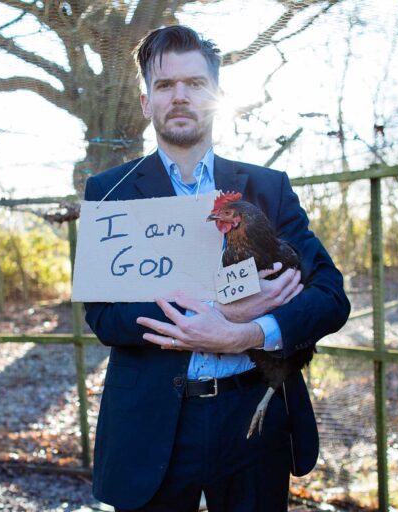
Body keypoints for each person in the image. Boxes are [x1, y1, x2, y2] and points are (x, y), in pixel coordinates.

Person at [83, 25, 350, 512]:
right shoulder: (109, 190)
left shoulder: (267, 188)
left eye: (195, 84)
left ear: (217, 96)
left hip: (253, 415)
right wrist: (223, 311)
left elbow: (330, 296)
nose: (180, 96)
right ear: (146, 101)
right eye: (165, 85)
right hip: (152, 419)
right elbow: (103, 315)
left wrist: (248, 333)